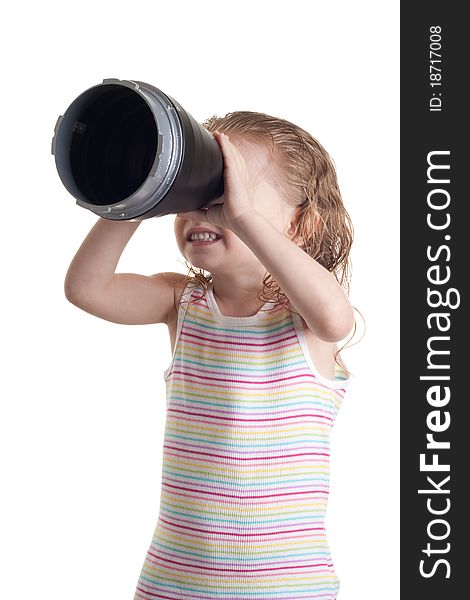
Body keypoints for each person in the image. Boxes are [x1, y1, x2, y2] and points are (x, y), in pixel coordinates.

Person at [64, 111, 358, 599]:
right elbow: (86, 289)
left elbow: (336, 318)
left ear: (301, 224)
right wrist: (143, 194)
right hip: (174, 580)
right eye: (194, 198)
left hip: (287, 586)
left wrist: (241, 215)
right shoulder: (181, 302)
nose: (203, 211)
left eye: (222, 194)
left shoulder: (303, 316)